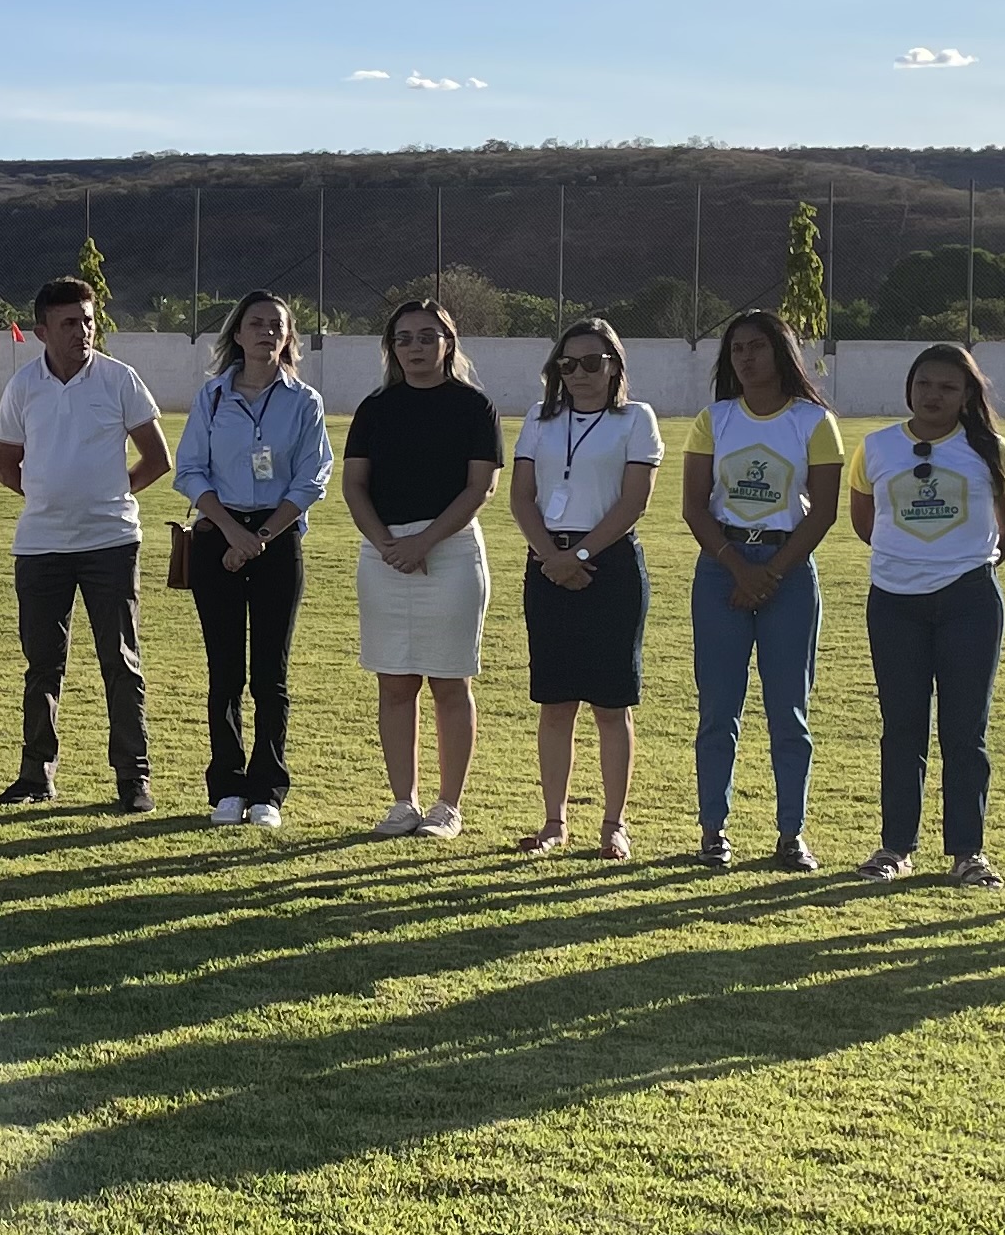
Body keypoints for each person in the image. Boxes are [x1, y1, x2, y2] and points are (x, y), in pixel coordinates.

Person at [845, 343, 1005, 887]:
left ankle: (968, 853)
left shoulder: (991, 450)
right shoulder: (876, 447)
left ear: (967, 395)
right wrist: (910, 562)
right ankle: (895, 848)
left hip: (969, 602)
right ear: (910, 388)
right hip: (894, 603)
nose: (933, 395)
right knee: (902, 727)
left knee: (965, 730)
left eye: (948, 387)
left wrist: (965, 565)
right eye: (924, 384)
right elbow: (864, 521)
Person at [667, 310, 845, 871]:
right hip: (722, 569)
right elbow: (694, 507)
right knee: (718, 709)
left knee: (789, 710)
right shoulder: (714, 419)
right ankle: (713, 831)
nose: (745, 358)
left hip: (787, 571)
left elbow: (824, 512)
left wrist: (771, 573)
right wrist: (737, 567)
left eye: (757, 347)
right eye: (737, 349)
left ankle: (791, 834)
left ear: (781, 353)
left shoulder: (814, 421)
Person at [0, 279, 169, 815]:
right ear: (42, 331)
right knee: (42, 666)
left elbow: (158, 459)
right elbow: (6, 466)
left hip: (111, 542)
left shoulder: (120, 379)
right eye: (69, 322)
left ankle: (133, 778)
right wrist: (50, 498)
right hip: (40, 547)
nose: (82, 331)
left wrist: (110, 493)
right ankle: (36, 775)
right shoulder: (23, 386)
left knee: (121, 662)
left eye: (88, 320)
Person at [167, 290, 331, 831]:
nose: (267, 333)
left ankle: (268, 789)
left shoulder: (304, 401)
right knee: (225, 673)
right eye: (256, 323)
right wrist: (234, 533)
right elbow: (190, 470)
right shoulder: (212, 397)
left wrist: (259, 537)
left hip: (276, 541)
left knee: (270, 675)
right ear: (237, 333)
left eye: (277, 325)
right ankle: (227, 785)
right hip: (219, 536)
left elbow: (312, 478)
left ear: (288, 338)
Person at [343, 296, 502, 837]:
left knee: (450, 683)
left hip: (450, 553)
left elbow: (480, 488)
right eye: (404, 338)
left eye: (427, 336)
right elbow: (354, 485)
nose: (415, 347)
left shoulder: (474, 407)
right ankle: (403, 803)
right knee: (395, 683)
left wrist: (425, 543)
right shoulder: (375, 408)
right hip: (384, 553)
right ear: (392, 348)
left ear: (448, 343)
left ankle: (447, 806)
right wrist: (389, 544)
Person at [507, 317, 661, 859]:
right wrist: (552, 557)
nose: (579, 373)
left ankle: (614, 824)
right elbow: (521, 496)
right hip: (547, 563)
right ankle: (554, 822)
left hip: (609, 565)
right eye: (567, 364)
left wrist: (578, 556)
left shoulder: (636, 418)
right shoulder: (539, 418)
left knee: (611, 705)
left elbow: (634, 501)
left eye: (592, 362)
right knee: (555, 702)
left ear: (614, 365)